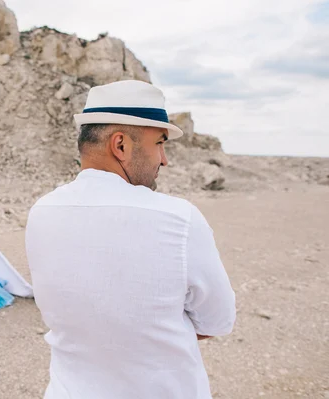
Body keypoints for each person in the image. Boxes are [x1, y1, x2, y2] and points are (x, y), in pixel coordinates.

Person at [25, 80, 236, 399]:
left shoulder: (41, 211)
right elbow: (218, 321)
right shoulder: (179, 219)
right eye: (160, 144)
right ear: (120, 145)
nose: (164, 160)